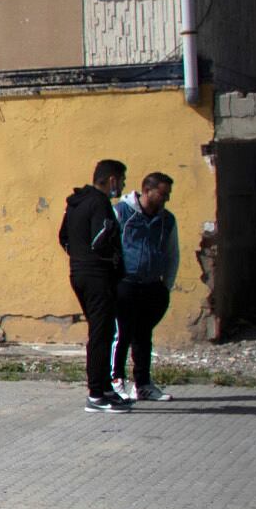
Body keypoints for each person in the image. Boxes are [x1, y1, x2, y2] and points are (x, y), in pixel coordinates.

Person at [60, 157, 129, 412]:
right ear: (111, 180)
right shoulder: (99, 203)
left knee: (104, 331)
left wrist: (79, 256)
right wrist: (108, 258)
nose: (122, 185)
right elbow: (102, 237)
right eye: (121, 180)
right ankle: (96, 394)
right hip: (97, 276)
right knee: (101, 334)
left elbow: (63, 237)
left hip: (80, 272)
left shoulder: (76, 203)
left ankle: (106, 388)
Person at [113, 170, 179, 401]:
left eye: (168, 194)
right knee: (121, 334)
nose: (166, 199)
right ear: (147, 190)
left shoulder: (166, 220)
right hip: (126, 283)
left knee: (143, 336)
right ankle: (116, 381)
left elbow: (172, 254)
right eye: (163, 194)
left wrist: (165, 286)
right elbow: (109, 246)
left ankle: (142, 384)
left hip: (152, 286)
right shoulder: (122, 213)